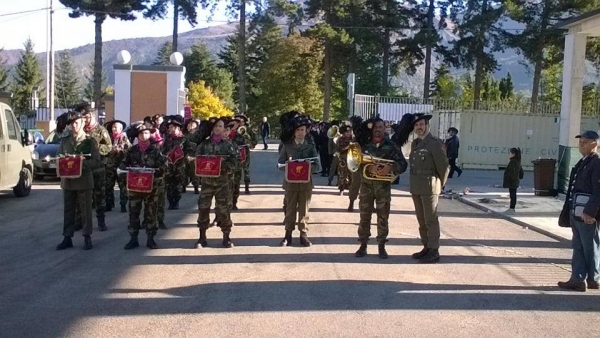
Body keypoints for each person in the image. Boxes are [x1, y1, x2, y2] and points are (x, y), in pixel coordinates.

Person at [354, 117, 407, 259]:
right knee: (364, 217)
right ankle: (363, 244)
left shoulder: (391, 146)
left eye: (381, 127)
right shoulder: (363, 145)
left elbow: (403, 164)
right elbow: (355, 164)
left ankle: (381, 245)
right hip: (366, 186)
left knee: (383, 217)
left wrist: (390, 167)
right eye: (375, 127)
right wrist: (367, 167)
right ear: (372, 129)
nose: (378, 129)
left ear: (385, 129)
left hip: (383, 187)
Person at [558, 130, 600, 292]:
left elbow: (598, 189)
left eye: (584, 142)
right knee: (579, 246)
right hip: (576, 211)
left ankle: (592, 278)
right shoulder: (584, 161)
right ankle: (578, 279)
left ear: (594, 144)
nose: (580, 145)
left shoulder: (596, 163)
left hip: (586, 214)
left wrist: (590, 212)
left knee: (589, 247)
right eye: (580, 142)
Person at [56, 111, 102, 251]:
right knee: (68, 210)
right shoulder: (65, 140)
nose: (74, 126)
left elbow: (96, 161)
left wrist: (81, 163)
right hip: (68, 181)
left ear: (82, 123)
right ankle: (67, 237)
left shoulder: (90, 141)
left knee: (86, 210)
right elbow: (58, 157)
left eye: (76, 123)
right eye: (71, 123)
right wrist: (65, 161)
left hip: (84, 180)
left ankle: (87, 237)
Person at [408, 113, 449, 264]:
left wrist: (440, 185)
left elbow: (443, 167)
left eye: (421, 124)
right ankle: (426, 246)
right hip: (416, 187)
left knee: (431, 220)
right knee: (421, 220)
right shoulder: (415, 144)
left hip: (430, 187)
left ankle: (434, 250)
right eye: (416, 125)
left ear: (427, 126)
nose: (419, 127)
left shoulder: (435, 143)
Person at [121, 124, 168, 250]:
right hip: (135, 187)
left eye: (146, 133)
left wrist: (155, 171)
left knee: (151, 213)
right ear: (137, 136)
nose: (143, 135)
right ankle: (133, 239)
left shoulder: (156, 151)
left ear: (150, 135)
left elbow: (164, 167)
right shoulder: (131, 150)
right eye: (141, 133)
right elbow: (123, 165)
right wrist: (126, 170)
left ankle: (150, 239)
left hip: (151, 188)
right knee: (133, 213)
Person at [278, 114, 321, 247]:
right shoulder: (287, 146)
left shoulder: (310, 146)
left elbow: (317, 166)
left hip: (306, 183)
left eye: (302, 130)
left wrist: (308, 166)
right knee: (290, 209)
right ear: (293, 131)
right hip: (291, 183)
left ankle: (303, 234)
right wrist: (290, 166)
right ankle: (287, 235)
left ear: (306, 131)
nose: (300, 133)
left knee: (304, 209)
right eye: (297, 130)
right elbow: (280, 164)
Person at [195, 118, 238, 248]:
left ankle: (226, 237)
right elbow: (196, 159)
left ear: (225, 129)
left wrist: (221, 164)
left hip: (223, 182)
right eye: (216, 126)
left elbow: (235, 163)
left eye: (221, 126)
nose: (218, 128)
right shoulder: (204, 145)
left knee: (223, 209)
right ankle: (202, 237)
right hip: (207, 182)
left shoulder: (229, 145)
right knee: (203, 208)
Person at [78, 103, 112, 232]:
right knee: (82, 196)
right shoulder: (81, 131)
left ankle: (101, 221)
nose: (84, 120)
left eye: (86, 117)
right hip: (84, 168)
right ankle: (81, 221)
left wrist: (96, 150)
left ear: (91, 115)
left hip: (98, 168)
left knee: (99, 196)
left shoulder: (101, 130)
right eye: (83, 118)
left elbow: (108, 147)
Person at [162, 115, 195, 211]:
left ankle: (176, 201)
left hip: (180, 166)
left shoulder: (183, 139)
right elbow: (163, 151)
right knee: (168, 185)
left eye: (172, 127)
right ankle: (170, 201)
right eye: (169, 127)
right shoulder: (167, 139)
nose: (170, 129)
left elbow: (190, 150)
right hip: (169, 166)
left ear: (178, 128)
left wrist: (184, 156)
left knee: (178, 185)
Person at [104, 120, 130, 213]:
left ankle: (123, 204)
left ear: (121, 129)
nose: (114, 129)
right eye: (113, 127)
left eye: (116, 127)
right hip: (110, 166)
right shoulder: (108, 138)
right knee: (108, 185)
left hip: (121, 167)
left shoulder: (124, 138)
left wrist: (120, 150)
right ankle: (109, 204)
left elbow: (128, 151)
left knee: (122, 186)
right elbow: (104, 149)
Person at [235, 114, 256, 194]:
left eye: (240, 121)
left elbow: (254, 139)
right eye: (236, 121)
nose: (238, 123)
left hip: (245, 152)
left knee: (246, 170)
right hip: (235, 152)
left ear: (244, 122)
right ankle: (236, 189)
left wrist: (250, 144)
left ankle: (247, 187)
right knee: (237, 171)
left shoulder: (248, 129)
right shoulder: (232, 129)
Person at [503, 148, 523, 214]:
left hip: (512, 182)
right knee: (513, 195)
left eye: (510, 153)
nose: (509, 154)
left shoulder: (513, 162)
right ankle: (512, 208)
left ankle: (512, 209)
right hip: (515, 181)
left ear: (513, 154)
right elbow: (521, 173)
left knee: (512, 195)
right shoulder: (517, 161)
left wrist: (510, 179)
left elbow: (512, 172)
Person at [335, 125, 353, 195]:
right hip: (343, 159)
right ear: (343, 133)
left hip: (352, 159)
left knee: (352, 175)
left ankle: (351, 189)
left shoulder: (353, 139)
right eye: (347, 132)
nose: (348, 133)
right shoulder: (340, 139)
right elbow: (339, 149)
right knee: (342, 175)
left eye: (349, 132)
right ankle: (341, 189)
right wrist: (348, 147)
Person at [184, 119, 201, 194]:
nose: (189, 127)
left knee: (194, 172)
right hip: (186, 155)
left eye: (192, 125)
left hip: (194, 156)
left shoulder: (198, 135)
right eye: (188, 125)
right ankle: (183, 185)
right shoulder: (185, 135)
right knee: (184, 171)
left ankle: (196, 186)